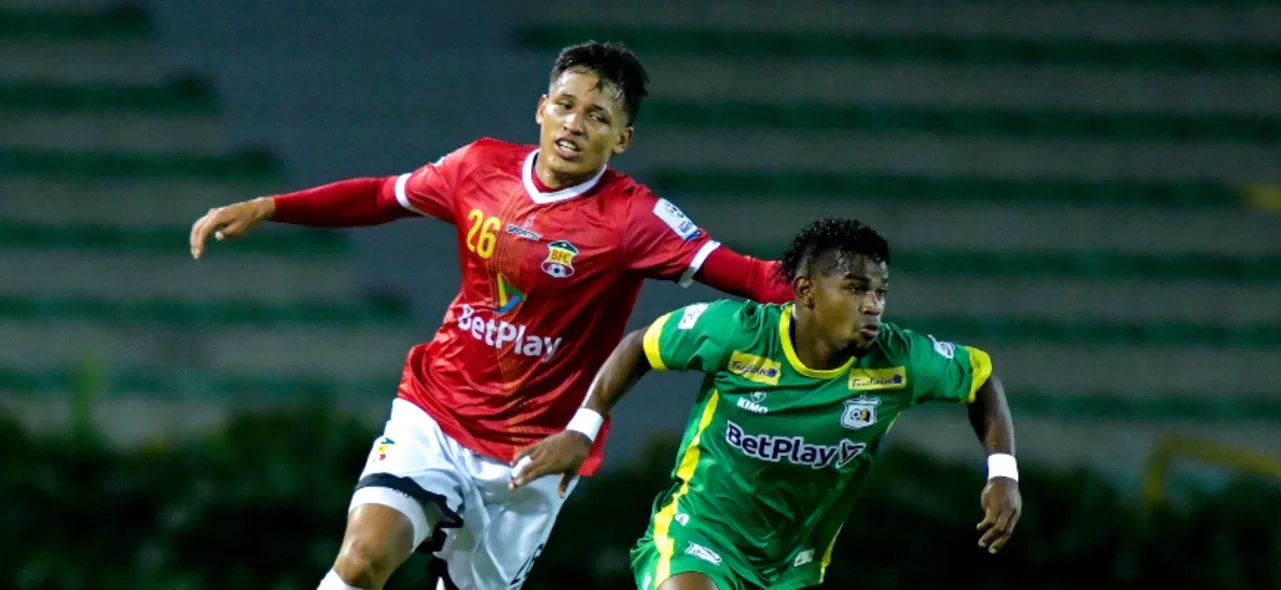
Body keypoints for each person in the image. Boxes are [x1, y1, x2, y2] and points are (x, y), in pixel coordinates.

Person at [187, 41, 793, 590]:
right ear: (540, 108)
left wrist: (839, 294)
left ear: (623, 139)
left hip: (534, 455)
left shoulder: (636, 220)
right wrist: (271, 205)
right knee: (362, 559)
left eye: (597, 117)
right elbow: (381, 196)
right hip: (436, 412)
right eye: (565, 105)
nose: (574, 125)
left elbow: (754, 278)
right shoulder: (480, 168)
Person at [510, 217, 1022, 590]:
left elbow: (982, 379)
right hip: (701, 531)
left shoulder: (899, 359)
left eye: (882, 292)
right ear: (805, 292)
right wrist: (583, 428)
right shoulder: (739, 332)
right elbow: (639, 347)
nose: (873, 305)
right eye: (856, 288)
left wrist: (1003, 473)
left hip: (792, 564)